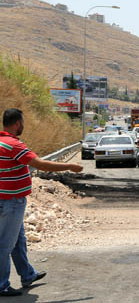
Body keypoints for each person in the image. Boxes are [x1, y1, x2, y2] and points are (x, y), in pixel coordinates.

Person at [0, 108, 83, 297]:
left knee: (19, 240)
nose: (23, 125)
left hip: (7, 200)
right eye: (23, 122)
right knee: (5, 244)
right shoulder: (14, 145)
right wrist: (70, 166)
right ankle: (2, 284)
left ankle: (28, 274)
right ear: (17, 123)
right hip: (11, 202)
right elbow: (40, 164)